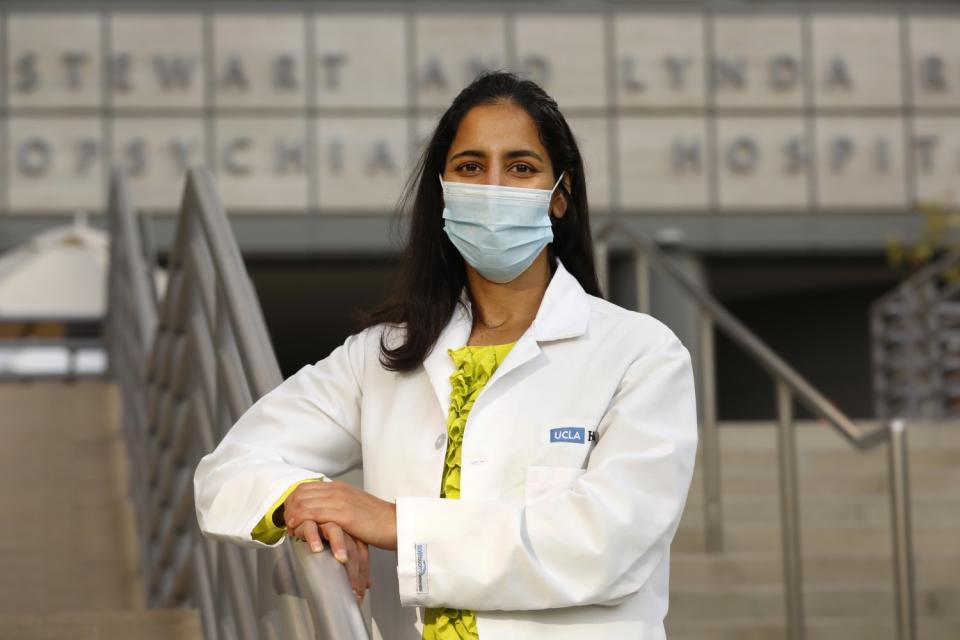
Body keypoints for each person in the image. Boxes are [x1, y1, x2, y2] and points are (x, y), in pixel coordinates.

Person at [194, 70, 698, 640]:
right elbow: (228, 469)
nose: (493, 187)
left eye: (521, 167)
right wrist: (299, 505)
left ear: (561, 194)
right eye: (470, 167)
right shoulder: (381, 356)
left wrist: (394, 525)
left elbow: (608, 544)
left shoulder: (640, 354)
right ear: (443, 189)